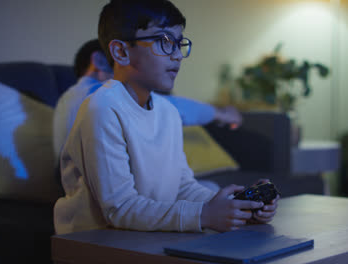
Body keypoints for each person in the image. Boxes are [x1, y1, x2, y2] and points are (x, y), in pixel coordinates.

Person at [53, 0, 278, 235]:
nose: (177, 56)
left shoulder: (167, 112)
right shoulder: (102, 108)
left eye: (179, 44)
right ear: (120, 52)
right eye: (164, 42)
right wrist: (203, 215)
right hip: (95, 241)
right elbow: (120, 208)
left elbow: (182, 187)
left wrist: (234, 206)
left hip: (144, 235)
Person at [53, 39, 242, 160]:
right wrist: (220, 114)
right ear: (100, 61)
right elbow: (171, 107)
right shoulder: (98, 96)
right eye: (122, 57)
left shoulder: (68, 98)